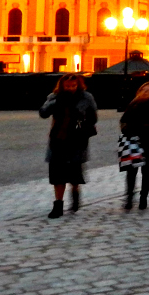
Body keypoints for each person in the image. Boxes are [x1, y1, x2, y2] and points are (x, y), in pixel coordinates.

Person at [39, 74, 98, 219]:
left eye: (73, 86)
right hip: (58, 139)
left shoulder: (86, 97)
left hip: (77, 140)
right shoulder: (55, 96)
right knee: (57, 174)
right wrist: (56, 101)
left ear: (78, 85)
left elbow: (93, 117)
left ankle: (75, 193)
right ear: (62, 85)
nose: (70, 88)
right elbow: (43, 113)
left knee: (74, 173)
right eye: (67, 86)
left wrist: (81, 116)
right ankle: (58, 205)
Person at [119, 81, 149, 210]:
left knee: (146, 171)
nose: (145, 92)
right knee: (131, 172)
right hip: (132, 140)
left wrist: (146, 127)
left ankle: (143, 197)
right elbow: (123, 120)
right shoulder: (133, 104)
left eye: (148, 90)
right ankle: (129, 198)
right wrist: (126, 129)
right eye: (143, 90)